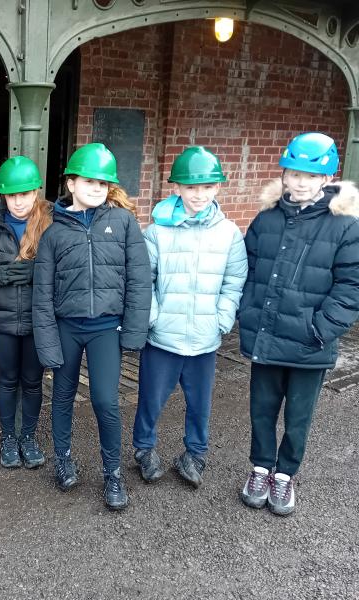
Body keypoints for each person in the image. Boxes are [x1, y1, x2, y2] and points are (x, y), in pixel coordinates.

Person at [239, 132, 359, 516]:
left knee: (298, 418)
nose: (301, 182)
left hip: (310, 343)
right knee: (262, 409)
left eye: (311, 176)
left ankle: (285, 474)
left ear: (327, 178)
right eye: (294, 173)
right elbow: (247, 270)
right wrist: (247, 312)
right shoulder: (267, 219)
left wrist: (320, 329)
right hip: (267, 335)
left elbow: (351, 287)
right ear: (284, 175)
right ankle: (261, 468)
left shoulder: (345, 226)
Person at [32, 144, 151, 510]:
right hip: (67, 327)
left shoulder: (123, 223)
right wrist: (47, 343)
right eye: (89, 181)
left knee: (105, 400)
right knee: (62, 395)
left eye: (103, 183)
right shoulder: (54, 233)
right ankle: (63, 459)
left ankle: (112, 473)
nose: (97, 188)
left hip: (106, 328)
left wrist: (134, 330)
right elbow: (42, 294)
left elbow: (139, 278)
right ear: (71, 183)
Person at [132, 146, 247, 487]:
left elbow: (234, 281)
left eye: (207, 187)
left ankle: (195, 454)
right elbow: (144, 280)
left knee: (200, 404)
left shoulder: (229, 233)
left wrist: (222, 319)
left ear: (217, 188)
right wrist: (154, 317)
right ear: (178, 188)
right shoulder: (157, 231)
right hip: (163, 337)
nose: (199, 194)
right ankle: (144, 449)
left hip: (204, 338)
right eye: (191, 187)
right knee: (150, 400)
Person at [0, 155, 52, 469]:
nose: (18, 201)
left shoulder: (51, 224)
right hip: (3, 319)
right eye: (12, 194)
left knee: (32, 381)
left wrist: (37, 272)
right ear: (3, 194)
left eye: (25, 194)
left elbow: (66, 267)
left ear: (36, 192)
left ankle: (27, 437)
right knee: (7, 380)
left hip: (38, 319)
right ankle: (8, 438)